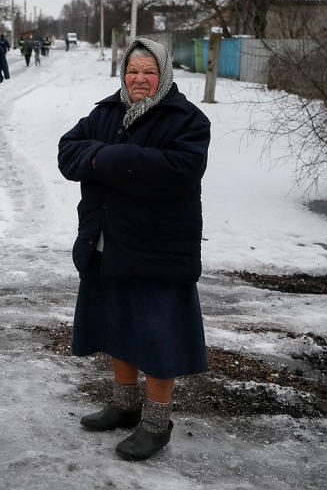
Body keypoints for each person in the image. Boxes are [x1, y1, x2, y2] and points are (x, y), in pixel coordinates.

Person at [57, 36, 210, 461]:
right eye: (132, 71)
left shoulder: (187, 121)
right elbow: (68, 153)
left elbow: (174, 172)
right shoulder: (106, 112)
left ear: (163, 75)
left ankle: (156, 424)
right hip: (108, 242)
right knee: (115, 324)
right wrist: (121, 160)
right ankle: (124, 406)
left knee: (160, 337)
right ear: (123, 73)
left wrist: (103, 159)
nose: (139, 79)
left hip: (159, 249)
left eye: (149, 72)